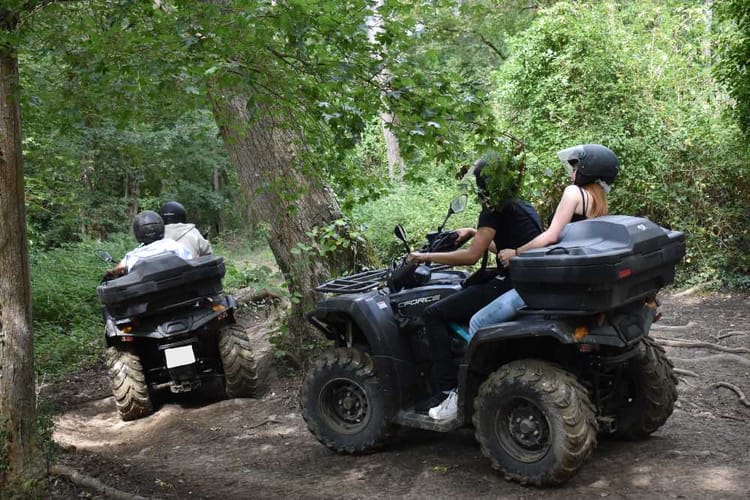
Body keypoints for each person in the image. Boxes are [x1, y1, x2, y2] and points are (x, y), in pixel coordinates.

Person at [406, 158, 542, 420]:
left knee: (434, 313)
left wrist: (425, 257)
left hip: (512, 284)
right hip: (528, 280)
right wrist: (471, 231)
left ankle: (447, 389)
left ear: (483, 185)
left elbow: (470, 257)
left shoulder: (493, 209)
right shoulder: (521, 205)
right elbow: (503, 243)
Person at [469, 143, 620, 338]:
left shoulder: (573, 193)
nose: (571, 174)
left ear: (587, 170)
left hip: (553, 282)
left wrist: (516, 253)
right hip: (574, 282)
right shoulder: (598, 203)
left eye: (575, 169)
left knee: (478, 321)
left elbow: (551, 236)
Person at [108, 210, 194, 277]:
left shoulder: (132, 257)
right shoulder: (176, 246)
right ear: (161, 226)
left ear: (137, 232)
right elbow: (191, 263)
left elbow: (118, 269)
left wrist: (113, 272)